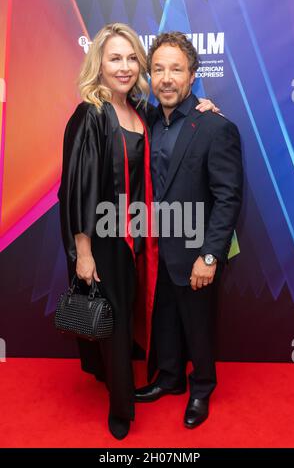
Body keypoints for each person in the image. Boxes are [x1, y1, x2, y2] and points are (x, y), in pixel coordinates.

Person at [58, 23, 217, 439]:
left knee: (127, 318)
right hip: (105, 241)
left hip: (138, 239)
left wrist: (205, 106)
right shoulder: (90, 113)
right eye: (115, 58)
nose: (125, 67)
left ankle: (139, 384)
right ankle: (120, 411)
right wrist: (84, 251)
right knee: (112, 320)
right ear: (99, 64)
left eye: (132, 58)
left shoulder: (140, 111)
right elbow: (75, 187)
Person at [135, 32, 243, 429]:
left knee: (198, 326)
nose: (166, 78)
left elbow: (228, 197)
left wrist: (209, 256)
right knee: (164, 318)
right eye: (158, 69)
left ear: (193, 74)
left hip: (197, 250)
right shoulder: (146, 119)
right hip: (156, 248)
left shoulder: (215, 127)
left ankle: (201, 388)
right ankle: (169, 377)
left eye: (175, 69)